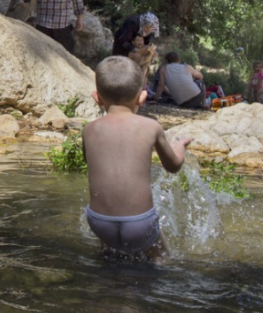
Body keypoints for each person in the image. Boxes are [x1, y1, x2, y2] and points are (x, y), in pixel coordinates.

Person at [83, 56, 193, 259]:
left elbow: (89, 162)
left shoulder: (89, 130)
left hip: (99, 223)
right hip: (139, 224)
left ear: (96, 97)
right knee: (163, 259)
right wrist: (179, 146)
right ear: (142, 98)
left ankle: (107, 278)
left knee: (111, 253)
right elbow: (173, 166)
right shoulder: (151, 126)